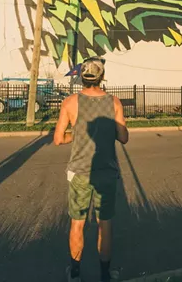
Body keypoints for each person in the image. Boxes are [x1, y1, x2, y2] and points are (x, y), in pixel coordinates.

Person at [54, 57, 129, 282]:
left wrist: (75, 135)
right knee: (104, 225)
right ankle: (105, 275)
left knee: (77, 223)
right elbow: (123, 137)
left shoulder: (69, 103)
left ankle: (75, 274)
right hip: (106, 172)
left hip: (79, 172)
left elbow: (58, 138)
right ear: (101, 77)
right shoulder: (114, 102)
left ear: (81, 78)